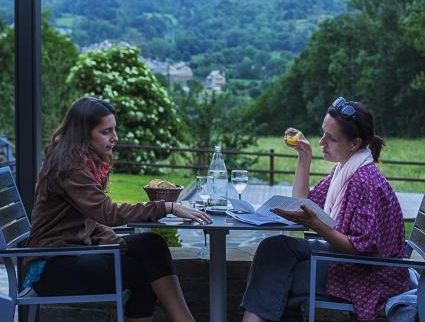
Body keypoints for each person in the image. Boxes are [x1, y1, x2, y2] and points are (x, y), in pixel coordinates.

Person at [24, 96, 212, 322]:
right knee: (146, 272)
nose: (115, 137)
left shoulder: (80, 160)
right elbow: (107, 213)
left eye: (114, 130)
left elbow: (90, 220)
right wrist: (167, 207)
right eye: (106, 132)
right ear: (84, 133)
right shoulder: (69, 166)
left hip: (73, 252)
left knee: (152, 244)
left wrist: (116, 242)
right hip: (53, 267)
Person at [241, 97, 409, 322]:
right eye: (323, 133)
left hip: (368, 276)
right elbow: (303, 202)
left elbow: (360, 247)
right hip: (351, 263)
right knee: (274, 248)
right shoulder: (345, 169)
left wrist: (317, 225)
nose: (322, 142)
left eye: (331, 138)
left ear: (354, 143)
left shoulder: (363, 180)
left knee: (276, 274)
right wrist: (304, 156)